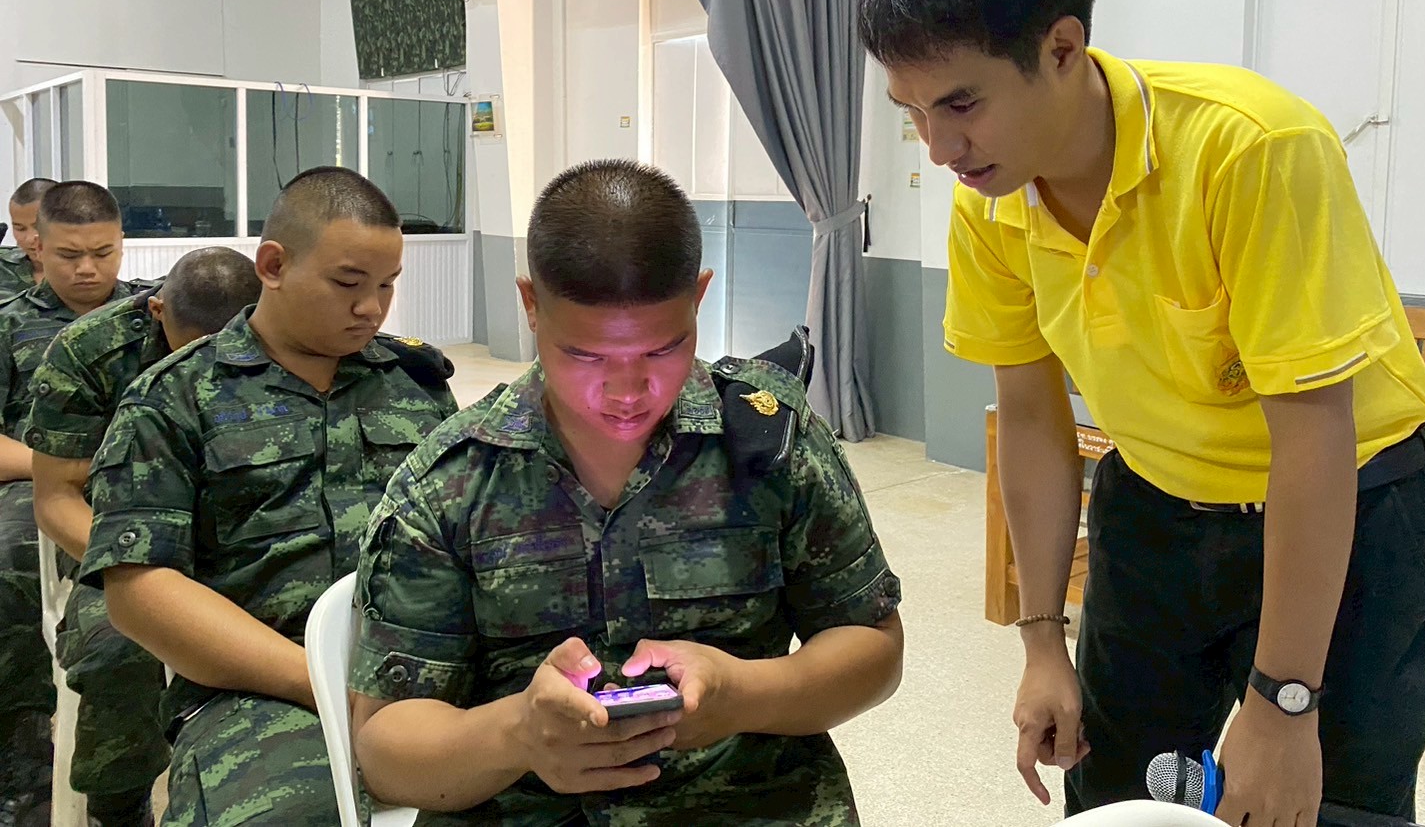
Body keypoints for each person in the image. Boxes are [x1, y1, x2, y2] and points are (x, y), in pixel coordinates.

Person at [857, 0, 1425, 825]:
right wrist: (1042, 641)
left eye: (961, 103)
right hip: (1153, 506)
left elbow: (1313, 433)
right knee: (1118, 791)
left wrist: (1284, 699)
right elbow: (1032, 417)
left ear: (1061, 48)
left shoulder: (1250, 147)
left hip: (1350, 502)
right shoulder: (991, 199)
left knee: (1318, 801)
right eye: (912, 112)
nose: (938, 149)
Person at [349, 159, 904, 827]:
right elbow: (385, 752)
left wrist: (740, 694)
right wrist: (519, 733)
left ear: (699, 297)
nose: (626, 392)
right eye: (585, 356)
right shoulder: (450, 483)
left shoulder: (769, 443)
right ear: (531, 305)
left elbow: (873, 646)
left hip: (755, 801)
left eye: (661, 351)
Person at [78, 167, 460, 827]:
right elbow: (139, 589)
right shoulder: (175, 399)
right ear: (274, 266)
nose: (371, 308)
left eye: (386, 285)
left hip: (428, 672)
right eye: (349, 284)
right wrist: (322, 683)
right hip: (260, 689)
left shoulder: (416, 384)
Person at [28, 247, 262, 827]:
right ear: (157, 312)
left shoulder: (281, 341)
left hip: (242, 536)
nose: (204, 366)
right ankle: (120, 804)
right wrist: (140, 563)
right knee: (118, 647)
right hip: (119, 536)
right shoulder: (91, 351)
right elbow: (56, 497)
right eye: (191, 348)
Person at [0, 180, 154, 825]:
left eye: (103, 252)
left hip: (148, 483)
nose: (88, 268)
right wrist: (72, 463)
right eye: (69, 254)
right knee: (8, 565)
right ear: (37, 245)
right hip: (36, 479)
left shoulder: (156, 315)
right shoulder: (10, 323)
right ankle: (21, 756)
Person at [0, 178, 58, 297]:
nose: (30, 239)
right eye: (20, 229)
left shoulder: (87, 271)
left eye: (38, 227)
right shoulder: (4, 267)